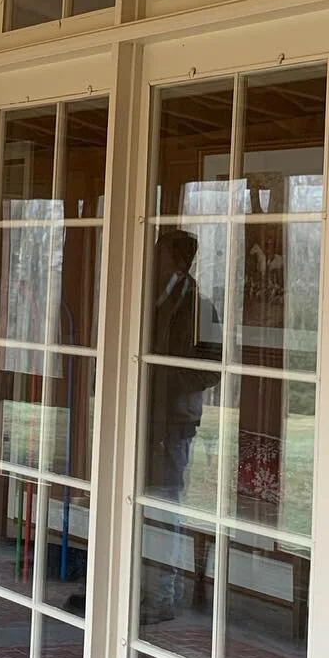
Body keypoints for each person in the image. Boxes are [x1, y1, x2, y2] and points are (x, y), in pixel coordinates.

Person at [143, 228, 219, 620]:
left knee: (165, 502)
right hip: (143, 414)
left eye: (158, 254)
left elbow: (211, 369)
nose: (151, 261)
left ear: (176, 261)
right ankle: (138, 586)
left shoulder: (201, 308)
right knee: (139, 500)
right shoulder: (147, 299)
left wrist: (167, 381)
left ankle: (163, 595)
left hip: (172, 420)